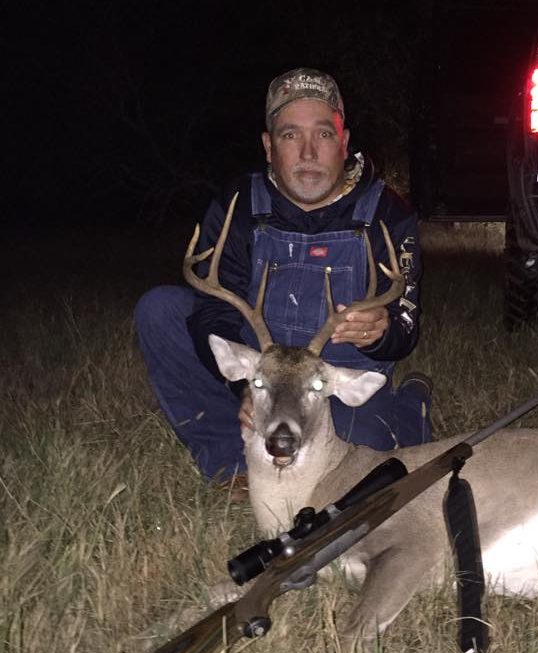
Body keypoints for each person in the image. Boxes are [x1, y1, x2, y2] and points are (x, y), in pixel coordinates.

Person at [134, 67, 432, 496]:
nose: (309, 152)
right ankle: (231, 462)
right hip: (260, 368)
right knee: (160, 311)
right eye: (291, 135)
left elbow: (405, 326)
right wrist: (247, 385)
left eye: (324, 134)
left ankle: (412, 404)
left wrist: (383, 332)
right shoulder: (239, 205)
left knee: (369, 461)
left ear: (344, 142)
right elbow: (213, 311)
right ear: (269, 146)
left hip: (330, 382)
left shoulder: (388, 213)